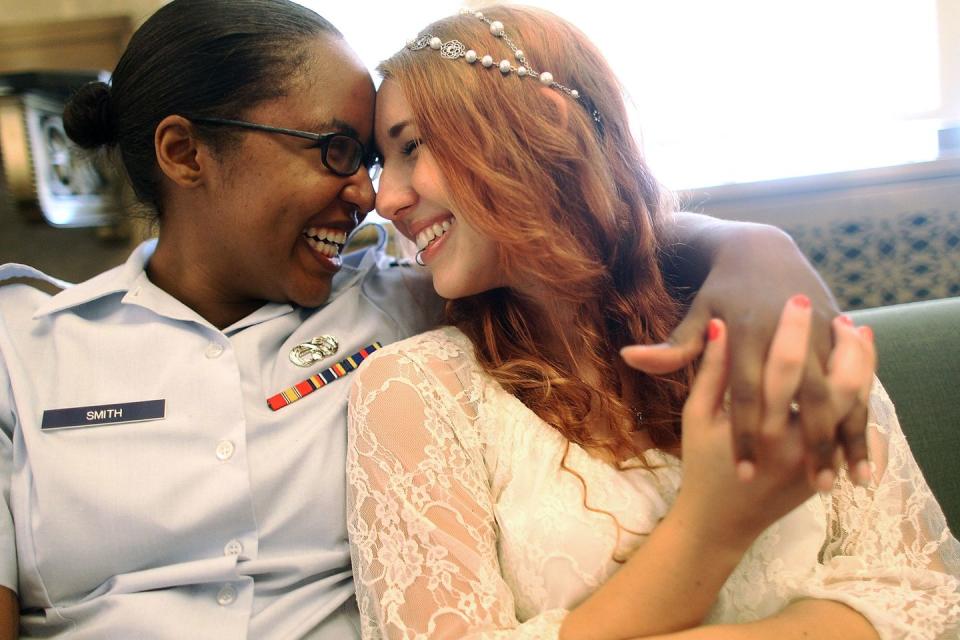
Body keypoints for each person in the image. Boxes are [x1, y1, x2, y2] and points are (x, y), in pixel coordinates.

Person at [0, 0, 879, 637]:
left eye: (385, 153)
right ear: (186, 152)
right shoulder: (22, 347)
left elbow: (569, 234)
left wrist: (757, 248)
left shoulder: (412, 302)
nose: (371, 198)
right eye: (341, 152)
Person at [347, 5, 960, 639]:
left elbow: (927, 596)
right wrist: (712, 525)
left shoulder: (769, 321)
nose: (386, 201)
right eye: (379, 165)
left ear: (542, 125)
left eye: (412, 145)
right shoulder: (412, 391)